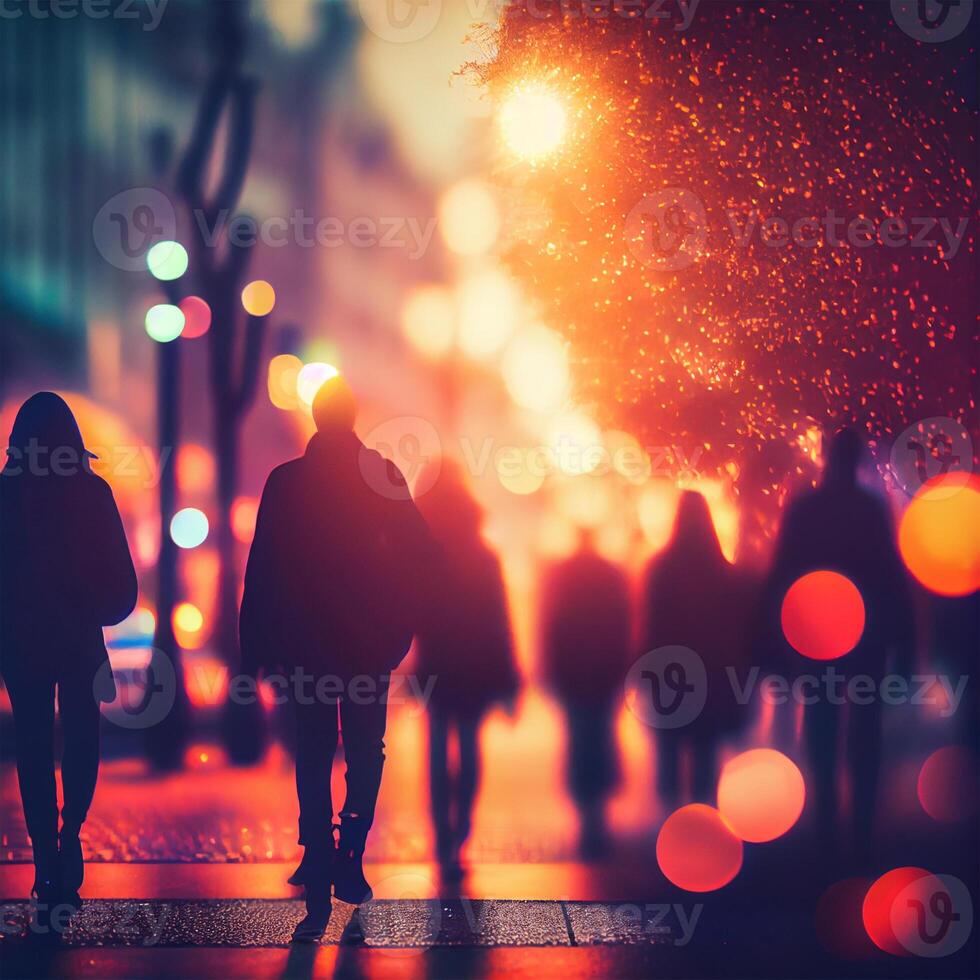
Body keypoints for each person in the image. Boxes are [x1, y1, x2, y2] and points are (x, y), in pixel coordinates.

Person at [239, 376, 434, 942]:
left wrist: (255, 647)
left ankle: (318, 853)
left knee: (314, 747)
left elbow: (263, 566)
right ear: (354, 420)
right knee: (366, 749)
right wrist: (402, 622)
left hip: (306, 644)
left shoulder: (285, 482)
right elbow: (422, 553)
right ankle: (351, 849)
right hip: (367, 644)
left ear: (316, 420)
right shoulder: (382, 476)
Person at [0, 392, 137, 914]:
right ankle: (71, 831)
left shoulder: (7, 497)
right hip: (79, 640)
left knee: (33, 747)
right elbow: (121, 587)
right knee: (82, 736)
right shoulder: (92, 493)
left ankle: (43, 858)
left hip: (22, 642)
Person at [765, 428, 914, 867]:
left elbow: (782, 572)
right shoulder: (871, 511)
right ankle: (861, 829)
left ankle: (827, 824)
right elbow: (890, 576)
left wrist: (773, 643)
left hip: (814, 631)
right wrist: (904, 641)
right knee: (865, 728)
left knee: (821, 723)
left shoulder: (804, 509)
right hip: (866, 635)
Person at [414, 462, 519, 879]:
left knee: (437, 746)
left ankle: (442, 834)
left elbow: (411, 610)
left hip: (436, 663)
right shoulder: (483, 555)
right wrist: (508, 672)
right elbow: (499, 617)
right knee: (471, 744)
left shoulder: (423, 553)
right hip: (475, 664)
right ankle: (461, 830)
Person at [641, 491, 754, 809]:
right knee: (705, 749)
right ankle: (703, 815)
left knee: (669, 749)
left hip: (669, 675)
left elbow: (650, 625)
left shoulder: (660, 570)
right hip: (711, 674)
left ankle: (671, 816)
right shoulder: (723, 572)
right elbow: (737, 626)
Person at [541, 532, 631, 859]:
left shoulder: (561, 575)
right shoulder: (612, 574)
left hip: (572, 673)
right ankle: (600, 813)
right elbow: (624, 622)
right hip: (604, 672)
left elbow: (550, 624)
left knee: (578, 738)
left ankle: (585, 810)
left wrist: (549, 670)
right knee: (602, 736)